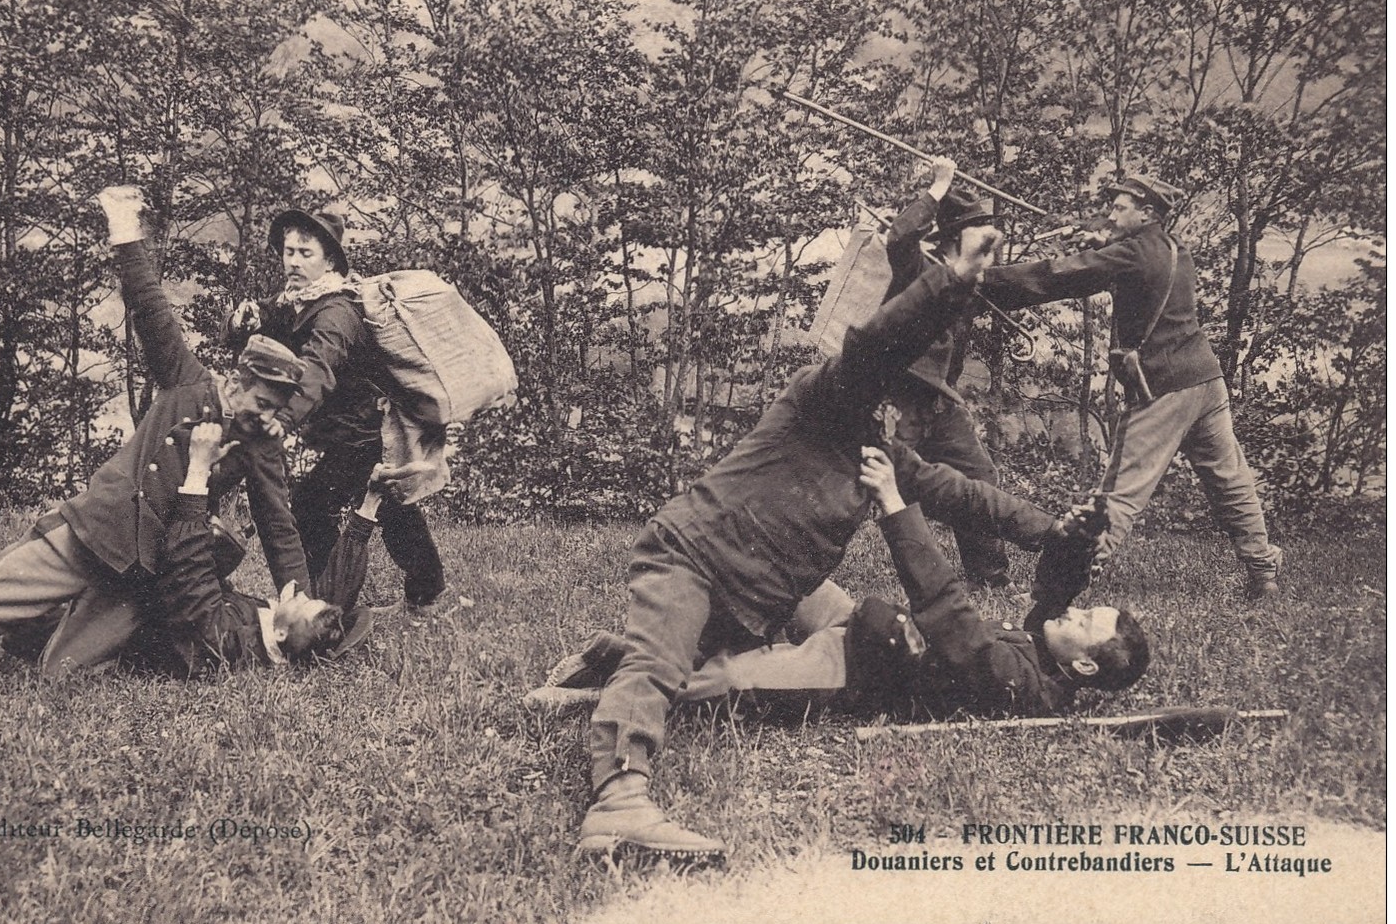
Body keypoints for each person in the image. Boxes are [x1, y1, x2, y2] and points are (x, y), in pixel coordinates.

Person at [574, 163, 1004, 867]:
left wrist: (1058, 532)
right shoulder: (836, 388)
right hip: (691, 553)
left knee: (676, 659)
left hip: (743, 588)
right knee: (658, 664)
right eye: (902, 396)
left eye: (916, 404)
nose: (909, 413)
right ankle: (618, 802)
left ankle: (600, 663)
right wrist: (947, 259)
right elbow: (872, 344)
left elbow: (964, 493)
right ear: (883, 386)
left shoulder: (878, 439)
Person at [0, 186, 320, 697]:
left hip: (137, 578)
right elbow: (150, 309)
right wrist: (124, 230)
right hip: (92, 536)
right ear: (237, 382)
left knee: (58, 673)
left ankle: (43, 624)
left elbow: (279, 525)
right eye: (261, 404)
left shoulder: (261, 442)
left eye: (275, 411)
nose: (264, 418)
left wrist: (298, 597)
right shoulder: (187, 383)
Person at [531, 450, 1149, 721]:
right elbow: (1055, 596)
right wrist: (1075, 540)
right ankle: (637, 650)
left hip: (854, 669)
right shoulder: (1051, 649)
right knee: (778, 569)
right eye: (1089, 608)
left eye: (1086, 622)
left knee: (729, 681)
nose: (1074, 613)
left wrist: (896, 506)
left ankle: (604, 687)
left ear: (1087, 671)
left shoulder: (1027, 690)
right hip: (860, 622)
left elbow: (951, 615)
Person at [982, 172, 1284, 602]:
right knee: (1231, 480)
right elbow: (1123, 260)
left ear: (1147, 213)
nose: (1111, 212)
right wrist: (1099, 236)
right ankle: (1263, 572)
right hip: (1206, 382)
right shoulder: (1174, 248)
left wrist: (981, 279)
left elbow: (1060, 275)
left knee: (1118, 496)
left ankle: (1060, 589)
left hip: (1164, 389)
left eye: (1120, 207)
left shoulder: (1134, 254)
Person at [224, 210, 446, 617]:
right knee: (382, 508)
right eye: (288, 251)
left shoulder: (336, 313)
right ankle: (410, 594)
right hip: (345, 432)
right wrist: (247, 317)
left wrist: (285, 419)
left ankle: (341, 601)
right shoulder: (300, 300)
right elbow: (277, 318)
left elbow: (317, 368)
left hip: (365, 433)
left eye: (304, 253)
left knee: (321, 507)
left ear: (329, 262)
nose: (292, 261)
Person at [120, 421, 348, 677]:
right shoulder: (270, 631)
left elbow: (186, 563)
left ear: (281, 633)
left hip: (130, 597)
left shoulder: (224, 635)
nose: (302, 594)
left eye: (301, 603)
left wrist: (199, 467)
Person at [881, 156, 1011, 589]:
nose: (991, 242)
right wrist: (939, 186)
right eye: (981, 231)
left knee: (979, 479)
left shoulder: (973, 279)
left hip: (940, 403)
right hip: (897, 402)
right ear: (955, 237)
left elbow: (1039, 281)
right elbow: (899, 237)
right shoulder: (917, 269)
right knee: (862, 489)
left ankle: (988, 578)